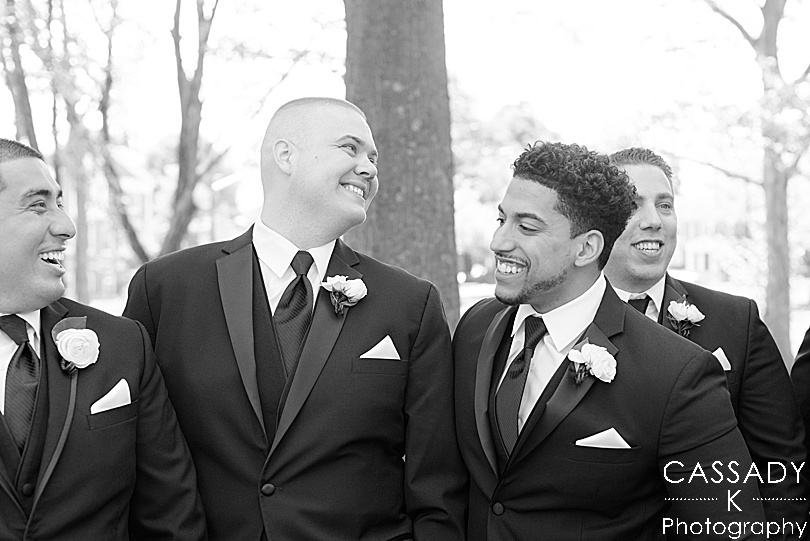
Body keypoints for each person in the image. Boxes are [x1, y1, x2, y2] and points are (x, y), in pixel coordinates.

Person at [123, 97, 467, 540]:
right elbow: (135, 454)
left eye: (373, 158)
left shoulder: (410, 304)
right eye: (350, 148)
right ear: (285, 155)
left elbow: (437, 485)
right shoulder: (165, 288)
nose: (368, 168)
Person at [454, 141, 766, 540]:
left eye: (526, 227)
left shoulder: (678, 374)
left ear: (587, 248)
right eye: (502, 220)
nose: (499, 242)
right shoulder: (476, 328)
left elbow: (731, 529)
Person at [0, 139, 206, 540]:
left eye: (59, 203)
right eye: (38, 205)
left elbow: (171, 516)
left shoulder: (123, 344)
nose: (66, 226)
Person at [604, 147, 808, 532]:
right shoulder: (561, 324)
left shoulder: (737, 321)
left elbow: (782, 465)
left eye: (665, 205)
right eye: (633, 205)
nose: (654, 221)